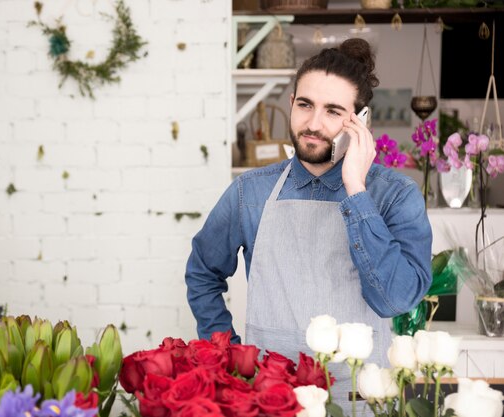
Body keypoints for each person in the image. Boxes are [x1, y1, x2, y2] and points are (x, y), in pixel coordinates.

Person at [185, 38, 432, 409]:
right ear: (291, 104)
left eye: (333, 111)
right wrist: (230, 359)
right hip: (272, 400)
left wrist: (356, 192)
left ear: (360, 121)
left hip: (362, 402)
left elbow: (394, 300)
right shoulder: (248, 193)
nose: (313, 124)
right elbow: (203, 272)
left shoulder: (395, 196)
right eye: (305, 105)